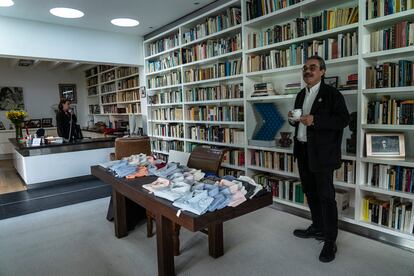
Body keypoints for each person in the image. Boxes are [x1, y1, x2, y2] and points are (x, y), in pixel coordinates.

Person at [288, 56, 350, 263]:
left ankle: (330, 240)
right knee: (310, 192)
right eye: (305, 68)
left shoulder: (332, 94)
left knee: (326, 196)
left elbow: (343, 120)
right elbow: (299, 123)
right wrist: (292, 120)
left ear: (322, 71)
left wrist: (316, 120)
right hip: (303, 150)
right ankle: (317, 227)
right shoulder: (300, 95)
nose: (307, 71)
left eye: (312, 67)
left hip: (323, 154)